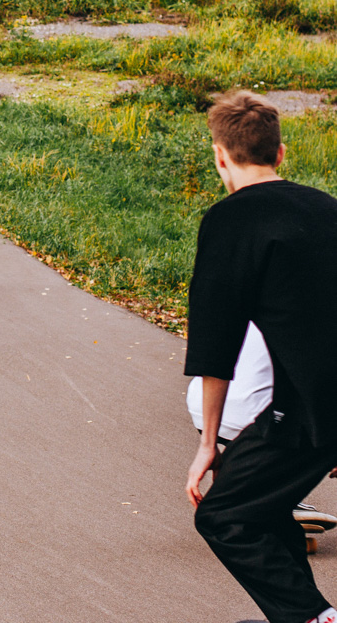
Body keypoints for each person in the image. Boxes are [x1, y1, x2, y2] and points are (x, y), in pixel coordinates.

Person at [185, 89, 337, 623]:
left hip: (310, 407)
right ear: (280, 154)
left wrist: (208, 443)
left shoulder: (229, 222)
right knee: (261, 506)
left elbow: (214, 343)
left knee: (225, 516)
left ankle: (315, 618)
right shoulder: (325, 208)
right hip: (311, 400)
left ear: (220, 156)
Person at [186, 322, 337, 541]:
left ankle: (238, 498)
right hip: (259, 412)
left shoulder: (265, 299)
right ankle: (270, 503)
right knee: (302, 437)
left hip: (205, 402)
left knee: (237, 452)